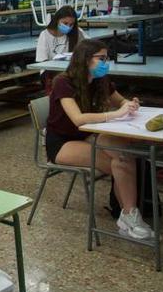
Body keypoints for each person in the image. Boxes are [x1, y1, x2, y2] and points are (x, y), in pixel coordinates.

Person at [46, 39, 154, 240]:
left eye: (107, 58)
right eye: (101, 58)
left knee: (124, 154)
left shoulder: (100, 81)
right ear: (85, 59)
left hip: (89, 134)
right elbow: (78, 119)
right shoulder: (63, 82)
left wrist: (130, 104)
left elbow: (120, 101)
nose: (106, 62)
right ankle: (128, 216)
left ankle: (129, 215)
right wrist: (115, 114)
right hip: (61, 143)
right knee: (119, 162)